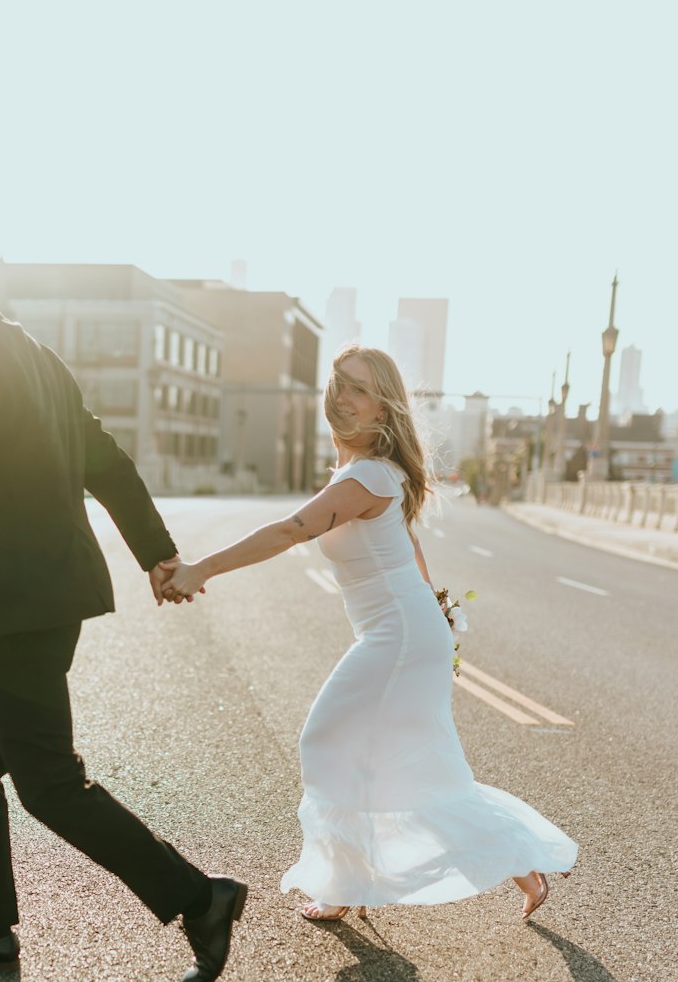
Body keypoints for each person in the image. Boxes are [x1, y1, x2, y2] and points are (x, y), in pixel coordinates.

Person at [0, 205, 245, 982]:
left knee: (49, 783)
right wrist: (157, 553)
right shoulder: (32, 353)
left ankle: (199, 898)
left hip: (8, 607)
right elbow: (108, 462)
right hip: (20, 606)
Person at [164, 345, 577, 920]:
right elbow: (411, 552)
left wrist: (200, 568)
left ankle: (348, 884)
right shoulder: (365, 475)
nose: (342, 394)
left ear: (383, 410)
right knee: (401, 762)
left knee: (330, 741)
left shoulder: (369, 477)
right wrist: (442, 616)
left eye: (358, 387)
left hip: (399, 638)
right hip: (404, 633)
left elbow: (290, 530)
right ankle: (509, 868)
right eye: (338, 382)